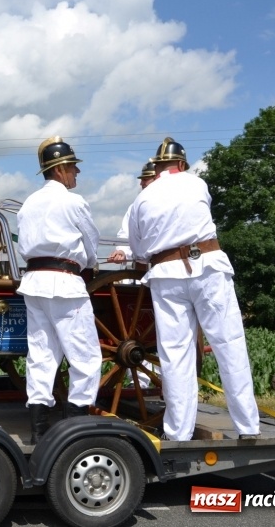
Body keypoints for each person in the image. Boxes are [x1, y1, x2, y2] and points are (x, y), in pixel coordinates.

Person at [127, 137, 261, 441]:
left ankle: (178, 433)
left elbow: (137, 248)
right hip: (208, 267)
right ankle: (248, 428)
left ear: (158, 167)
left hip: (166, 274)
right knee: (229, 346)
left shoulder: (143, 198)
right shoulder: (196, 184)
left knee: (175, 356)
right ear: (182, 164)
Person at [16, 136, 102, 445]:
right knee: (86, 357)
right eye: (74, 168)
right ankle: (75, 427)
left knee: (41, 355)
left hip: (35, 283)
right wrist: (90, 264)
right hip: (66, 282)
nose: (77, 173)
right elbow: (91, 242)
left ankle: (39, 431)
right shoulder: (72, 201)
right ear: (61, 169)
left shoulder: (28, 204)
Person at [108, 161, 160, 388]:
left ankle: (155, 379)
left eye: (145, 178)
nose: (141, 183)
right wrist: (121, 251)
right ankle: (140, 380)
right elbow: (126, 238)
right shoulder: (136, 206)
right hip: (140, 279)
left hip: (160, 274)